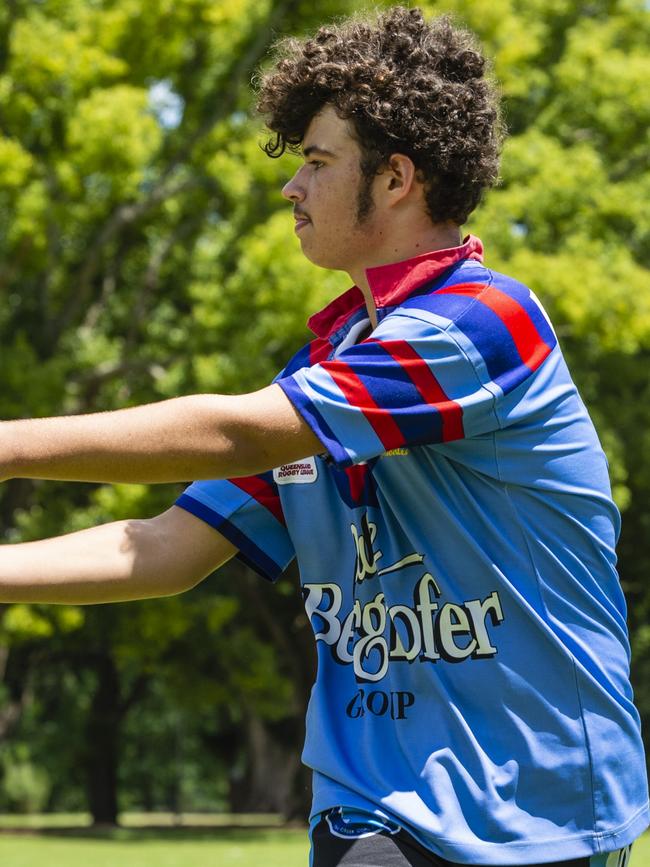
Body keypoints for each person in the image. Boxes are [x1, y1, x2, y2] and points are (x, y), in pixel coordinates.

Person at [0, 7, 647, 866]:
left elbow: (238, 434)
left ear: (395, 180)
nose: (290, 188)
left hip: (533, 810)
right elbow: (160, 548)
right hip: (370, 805)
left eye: (316, 162)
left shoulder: (483, 326)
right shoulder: (330, 375)